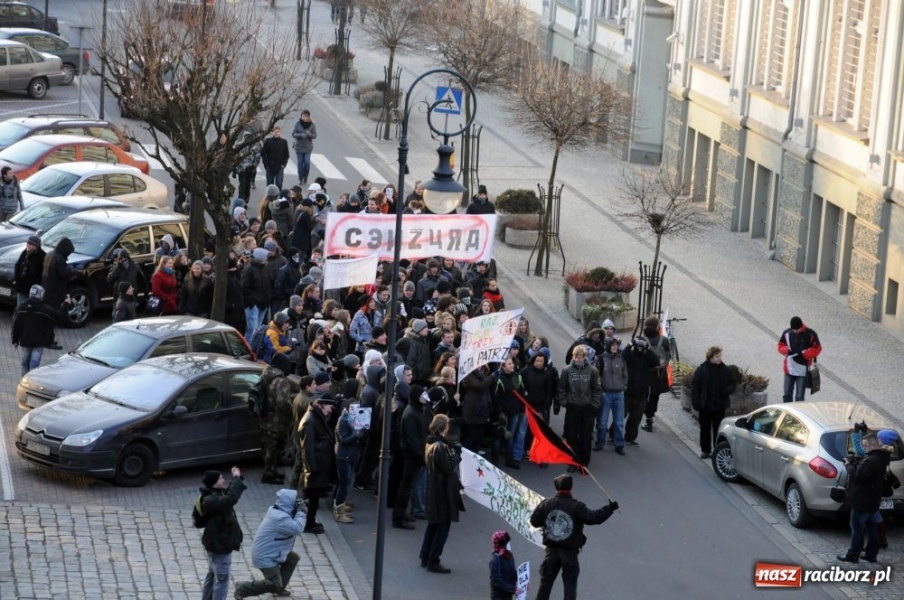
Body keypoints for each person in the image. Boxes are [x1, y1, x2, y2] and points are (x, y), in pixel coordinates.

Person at [529, 474, 617, 600]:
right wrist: (609, 508)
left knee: (545, 585)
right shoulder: (577, 506)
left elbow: (534, 521)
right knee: (569, 587)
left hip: (551, 552)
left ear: (556, 487)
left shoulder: (546, 503)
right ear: (570, 488)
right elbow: (594, 518)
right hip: (569, 554)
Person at [233, 488, 306, 599]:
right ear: (289, 503)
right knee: (274, 584)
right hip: (265, 555)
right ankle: (243, 588)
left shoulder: (278, 511)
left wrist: (297, 511)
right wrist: (302, 512)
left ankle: (279, 588)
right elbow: (297, 528)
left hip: (275, 551)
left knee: (292, 558)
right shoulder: (279, 518)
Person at [837, 432, 890, 564]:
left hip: (863, 500)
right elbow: (866, 474)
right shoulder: (879, 458)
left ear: (873, 445)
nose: (864, 448)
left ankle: (853, 554)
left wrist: (848, 465)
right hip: (872, 500)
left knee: (857, 527)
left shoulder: (872, 461)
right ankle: (871, 555)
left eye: (866, 446)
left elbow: (859, 476)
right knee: (871, 527)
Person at [419, 414, 463, 574]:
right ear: (443, 428)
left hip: (434, 488)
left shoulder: (431, 441)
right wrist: (457, 455)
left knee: (433, 524)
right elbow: (447, 467)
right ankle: (433, 560)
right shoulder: (440, 447)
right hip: (442, 492)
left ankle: (425, 556)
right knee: (442, 527)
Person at [198, 467, 247, 600]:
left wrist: (236, 479)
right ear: (215, 483)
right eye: (221, 478)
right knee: (222, 580)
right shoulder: (212, 500)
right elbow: (230, 498)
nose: (224, 480)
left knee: (212, 576)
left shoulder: (213, 494)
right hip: (219, 546)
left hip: (217, 544)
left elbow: (228, 493)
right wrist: (236, 478)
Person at [556, 345, 601, 470]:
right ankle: (572, 462)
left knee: (585, 437)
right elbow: (561, 388)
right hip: (572, 408)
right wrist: (565, 403)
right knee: (571, 436)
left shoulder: (593, 371)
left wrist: (594, 405)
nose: (578, 359)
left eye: (580, 357)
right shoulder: (567, 370)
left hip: (587, 409)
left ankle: (584, 463)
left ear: (585, 357)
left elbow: (597, 390)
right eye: (576, 357)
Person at [298, 394, 337, 534]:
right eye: (330, 407)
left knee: (313, 499)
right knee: (311, 498)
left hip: (319, 465)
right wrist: (312, 468)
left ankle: (310, 522)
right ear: (322, 405)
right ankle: (308, 524)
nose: (331, 410)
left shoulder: (317, 417)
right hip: (315, 468)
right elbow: (307, 448)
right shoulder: (310, 421)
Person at [393, 384, 431, 529]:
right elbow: (412, 439)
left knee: (409, 487)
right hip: (412, 457)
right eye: (423, 395)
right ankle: (398, 517)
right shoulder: (411, 413)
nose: (425, 398)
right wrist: (421, 456)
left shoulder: (418, 410)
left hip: (416, 456)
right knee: (406, 487)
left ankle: (403, 513)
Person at [11, 285, 70, 375]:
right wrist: (66, 304)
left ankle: (24, 380)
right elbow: (59, 317)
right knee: (34, 364)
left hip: (25, 341)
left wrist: (14, 339)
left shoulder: (21, 308)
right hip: (39, 342)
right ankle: (31, 381)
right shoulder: (44, 309)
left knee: (25, 363)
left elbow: (15, 324)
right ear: (41, 295)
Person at [690, 346, 736, 459]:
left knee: (718, 429)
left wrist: (726, 391)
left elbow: (733, 384)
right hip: (705, 405)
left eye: (720, 356)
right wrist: (696, 402)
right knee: (704, 428)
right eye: (717, 356)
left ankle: (717, 450)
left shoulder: (725, 370)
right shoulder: (701, 370)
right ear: (710, 357)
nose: (719, 358)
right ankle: (705, 450)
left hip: (719, 406)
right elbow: (695, 387)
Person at [260, 353, 295, 484]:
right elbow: (283, 403)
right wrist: (291, 412)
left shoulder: (266, 374)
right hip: (277, 421)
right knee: (274, 448)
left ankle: (271, 470)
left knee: (268, 447)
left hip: (266, 418)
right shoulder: (280, 380)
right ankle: (268, 474)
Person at [621, 337, 658, 446]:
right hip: (627, 393)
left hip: (641, 394)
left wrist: (649, 349)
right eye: (638, 346)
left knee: (635, 419)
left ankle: (630, 438)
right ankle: (613, 435)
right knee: (620, 416)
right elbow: (623, 355)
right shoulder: (629, 356)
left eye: (642, 347)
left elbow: (655, 362)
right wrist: (629, 344)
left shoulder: (647, 357)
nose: (640, 349)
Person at [595, 337, 628, 455]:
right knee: (602, 422)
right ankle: (600, 443)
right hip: (606, 394)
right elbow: (596, 376)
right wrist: (601, 390)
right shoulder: (601, 359)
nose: (615, 347)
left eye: (616, 345)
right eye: (613, 345)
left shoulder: (621, 359)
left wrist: (623, 388)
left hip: (619, 395)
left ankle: (619, 445)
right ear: (608, 346)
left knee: (619, 422)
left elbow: (625, 375)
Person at [777, 316, 822, 403]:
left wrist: (805, 354)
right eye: (793, 329)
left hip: (802, 368)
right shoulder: (787, 333)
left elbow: (817, 348)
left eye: (797, 329)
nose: (795, 331)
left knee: (799, 396)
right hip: (789, 367)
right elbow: (780, 346)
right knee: (787, 394)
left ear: (801, 326)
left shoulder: (810, 334)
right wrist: (786, 351)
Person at [641, 316, 671, 432]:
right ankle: (650, 418)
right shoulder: (664, 340)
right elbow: (668, 357)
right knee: (655, 396)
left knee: (644, 395)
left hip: (645, 372)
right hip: (659, 373)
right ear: (657, 326)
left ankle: (647, 415)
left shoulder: (642, 340)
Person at [13, 235, 45, 306]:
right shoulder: (25, 252)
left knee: (30, 307)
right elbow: (18, 265)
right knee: (20, 306)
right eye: (27, 243)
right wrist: (17, 279)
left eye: (30, 243)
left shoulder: (42, 256)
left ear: (36, 246)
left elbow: (40, 273)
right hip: (21, 286)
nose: (27, 245)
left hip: (32, 289)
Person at [489, 530, 517, 600]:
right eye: (506, 543)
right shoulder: (495, 561)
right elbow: (497, 581)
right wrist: (513, 589)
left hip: (508, 595)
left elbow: (512, 573)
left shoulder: (509, 556)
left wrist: (524, 582)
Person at [291, 109, 317, 185]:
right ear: (301, 116)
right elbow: (293, 134)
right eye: (303, 116)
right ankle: (300, 178)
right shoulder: (297, 124)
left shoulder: (312, 125)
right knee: (300, 163)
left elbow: (315, 135)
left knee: (306, 163)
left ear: (309, 117)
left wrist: (309, 134)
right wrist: (300, 135)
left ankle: (305, 176)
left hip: (308, 148)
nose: (304, 118)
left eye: (306, 116)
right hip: (298, 147)